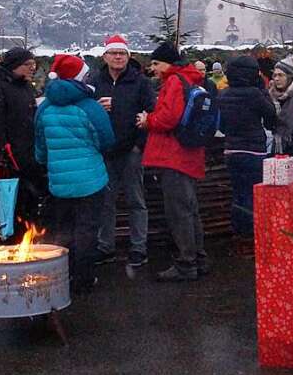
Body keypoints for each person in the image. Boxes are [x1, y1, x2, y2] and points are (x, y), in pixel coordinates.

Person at [35, 54, 115, 293]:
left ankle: (63, 274)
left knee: (63, 229)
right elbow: (106, 140)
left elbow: (40, 147)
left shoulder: (44, 108)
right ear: (80, 76)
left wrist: (49, 163)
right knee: (87, 229)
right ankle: (84, 279)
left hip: (59, 182)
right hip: (90, 180)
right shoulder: (89, 106)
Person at [137, 42, 208, 282]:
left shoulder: (175, 81)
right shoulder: (190, 79)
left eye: (156, 63)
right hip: (187, 153)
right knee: (190, 209)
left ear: (168, 63)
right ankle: (198, 258)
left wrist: (148, 120)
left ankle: (186, 264)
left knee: (179, 211)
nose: (153, 68)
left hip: (174, 155)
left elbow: (169, 118)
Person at [85, 34, 155, 268]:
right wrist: (96, 107)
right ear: (105, 56)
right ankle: (106, 246)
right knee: (106, 200)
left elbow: (150, 114)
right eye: (113, 53)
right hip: (105, 152)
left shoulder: (140, 82)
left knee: (136, 200)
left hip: (131, 150)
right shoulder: (95, 81)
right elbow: (84, 110)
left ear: (129, 56)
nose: (118, 57)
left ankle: (139, 247)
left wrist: (139, 145)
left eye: (122, 53)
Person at [218, 55, 277, 255]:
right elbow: (271, 118)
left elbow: (222, 125)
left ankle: (239, 236)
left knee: (238, 194)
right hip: (254, 150)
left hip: (231, 150)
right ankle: (253, 238)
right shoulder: (255, 94)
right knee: (253, 195)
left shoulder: (224, 94)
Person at [0, 47, 46, 232]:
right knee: (15, 204)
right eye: (28, 65)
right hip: (12, 158)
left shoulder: (26, 86)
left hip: (30, 154)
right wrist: (4, 151)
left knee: (32, 202)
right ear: (14, 66)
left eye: (33, 64)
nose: (32, 68)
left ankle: (32, 237)